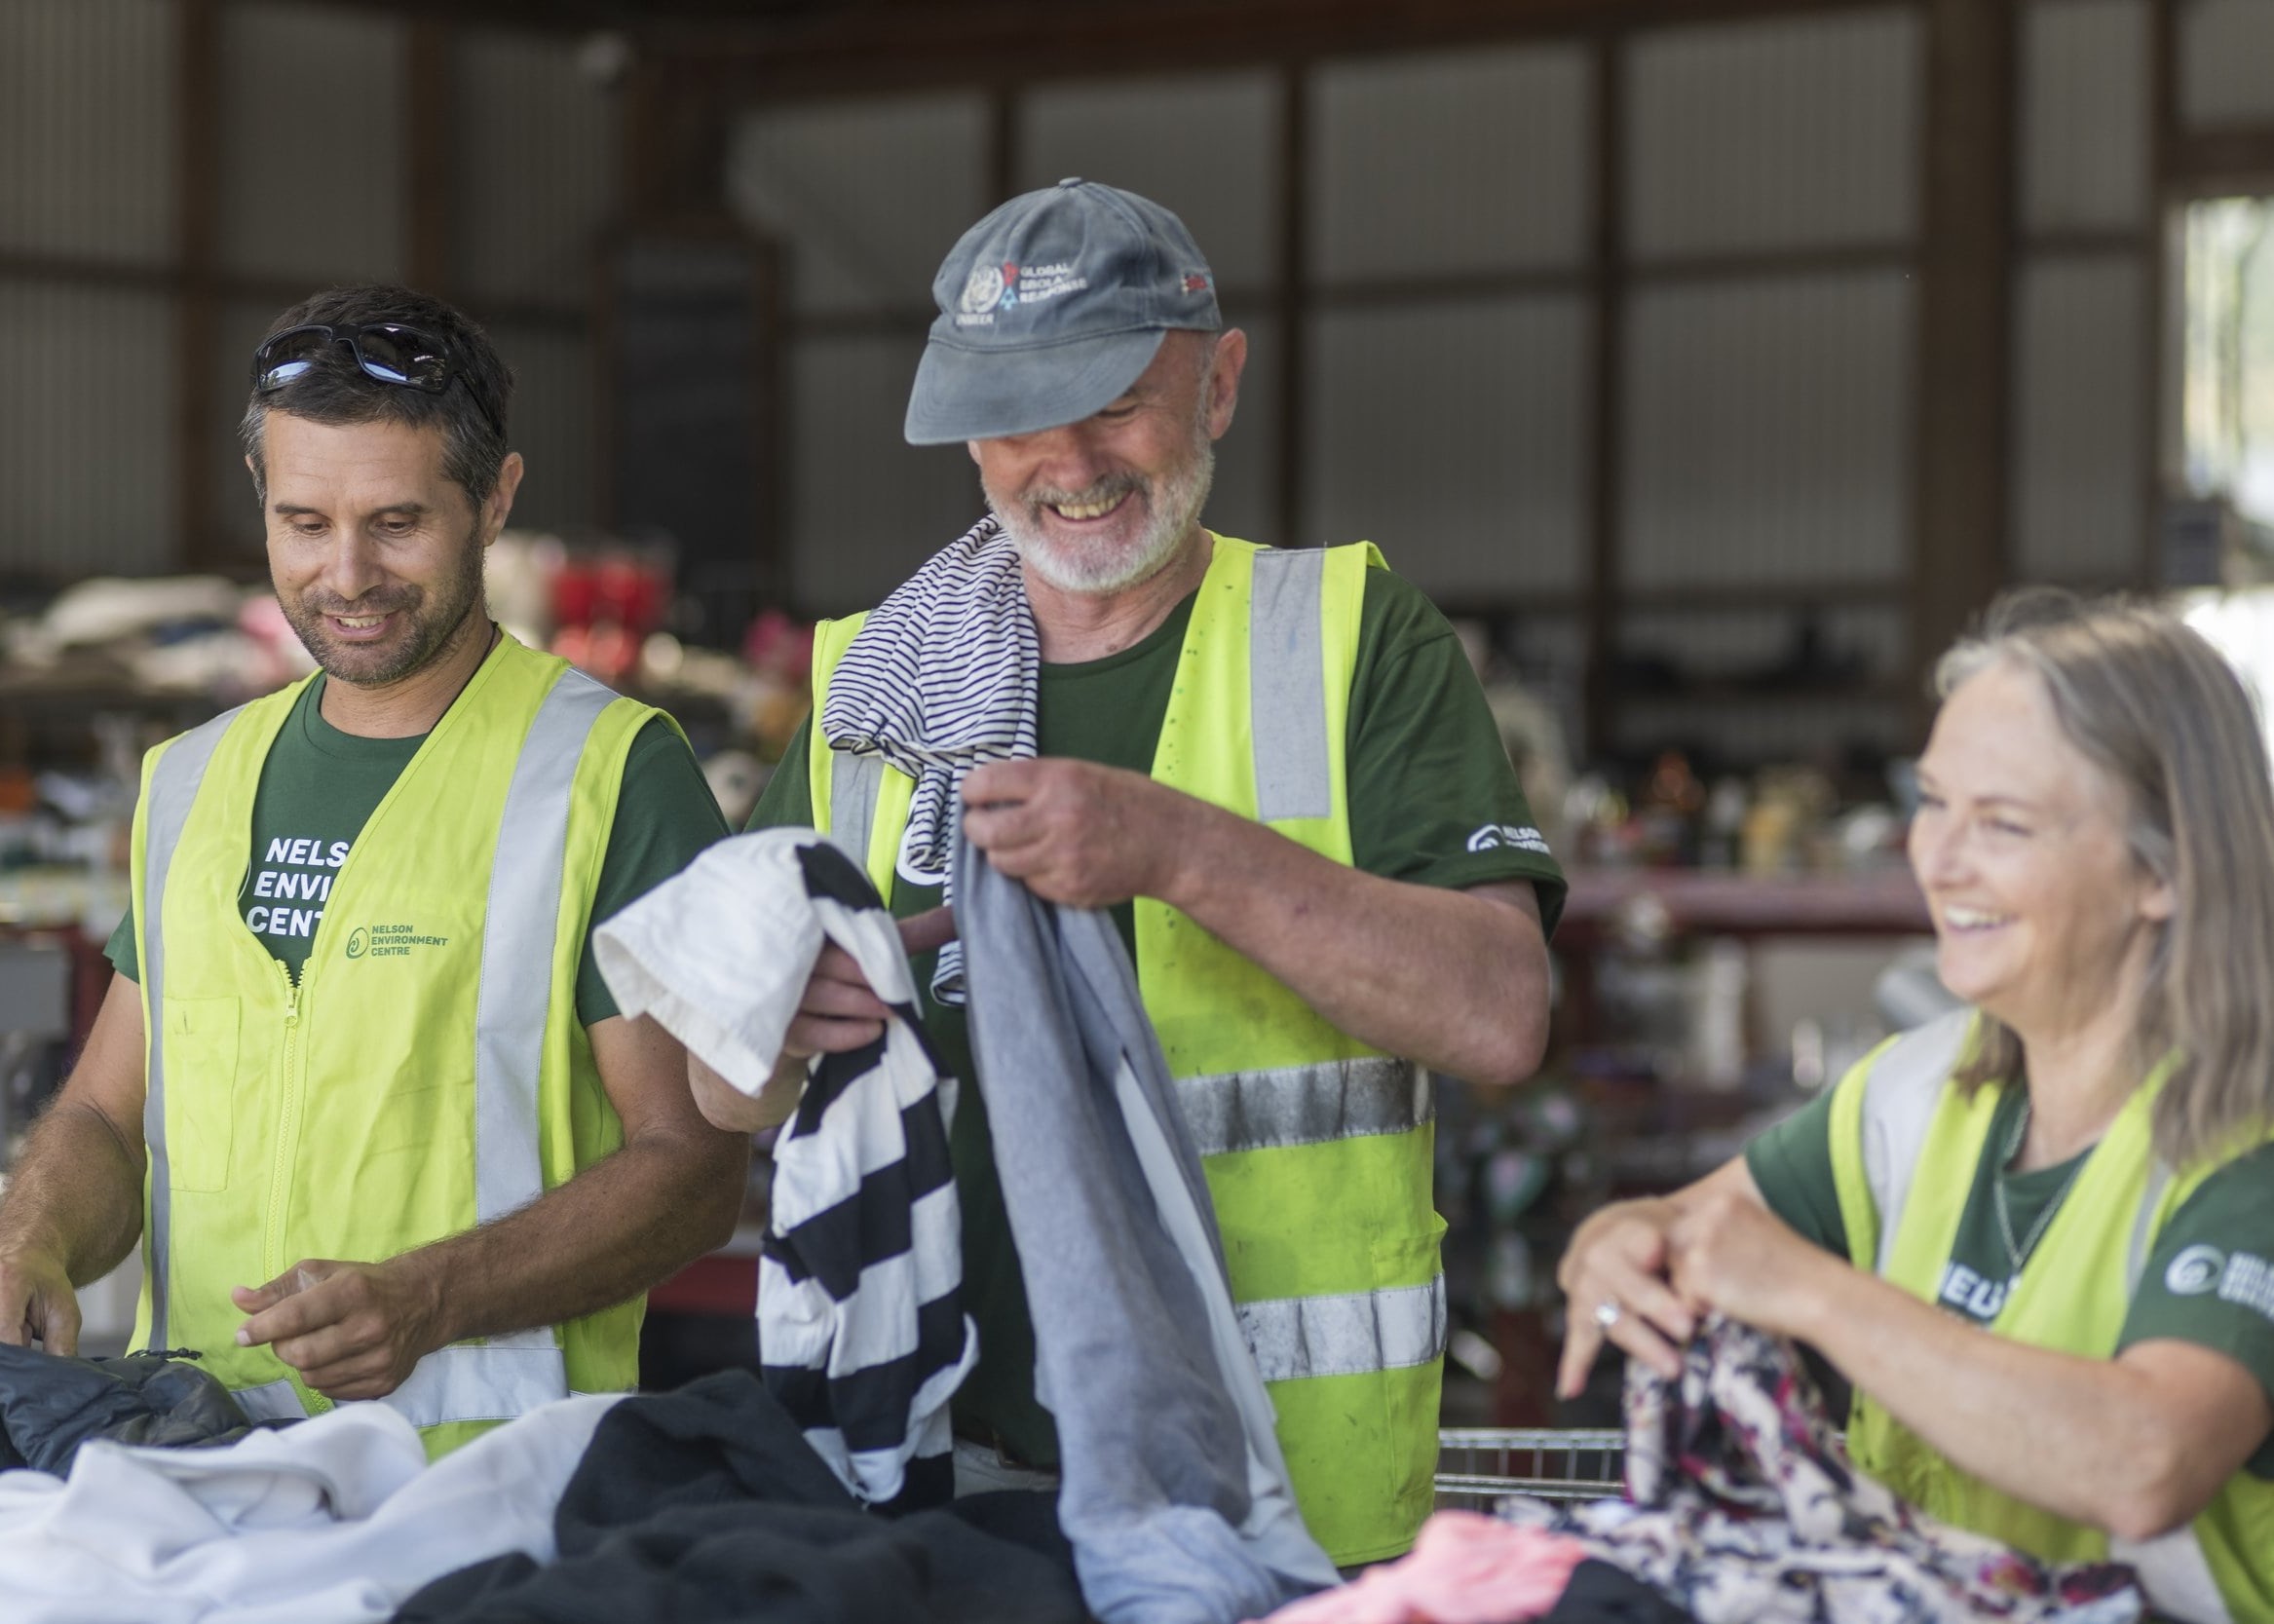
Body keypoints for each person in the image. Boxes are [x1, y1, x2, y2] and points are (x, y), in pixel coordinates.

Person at [700, 179, 1565, 1567]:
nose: (1067, 461)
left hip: (1287, 1498)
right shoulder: (875, 680)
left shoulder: (1351, 636)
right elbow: (721, 1089)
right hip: (939, 1486)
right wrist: (764, 1026)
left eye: (1111, 403)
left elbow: (1499, 1014)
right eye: (1012, 420)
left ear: (1218, 382)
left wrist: (1175, 849)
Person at [0, 286, 749, 1456]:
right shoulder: (191, 780)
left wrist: (430, 1297)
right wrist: (31, 1240)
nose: (345, 574)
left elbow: (694, 1164)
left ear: (496, 498)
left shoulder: (605, 773)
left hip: (488, 1489)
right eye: (304, 523)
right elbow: (105, 1107)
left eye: (397, 522)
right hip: (198, 1471)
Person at [1557, 591, 2274, 1622]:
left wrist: (1816, 1293)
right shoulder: (1917, 1087)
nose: (1937, 859)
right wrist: (1617, 1241)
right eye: (1933, 802)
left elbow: (2145, 1459)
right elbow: (1681, 1224)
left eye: (2004, 823)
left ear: (2163, 868)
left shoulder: (2247, 1138)